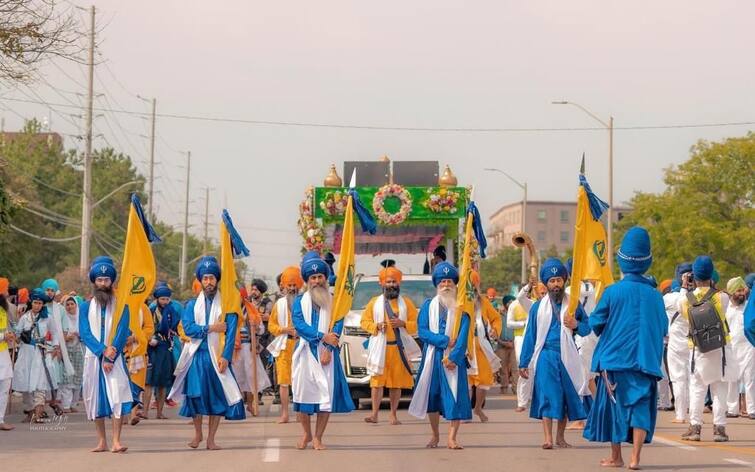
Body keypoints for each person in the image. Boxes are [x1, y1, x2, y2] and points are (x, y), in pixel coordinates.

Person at [583, 226, 668, 470]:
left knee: (614, 410)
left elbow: (595, 324)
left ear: (622, 261)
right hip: (645, 361)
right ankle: (636, 458)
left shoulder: (612, 292)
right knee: (640, 409)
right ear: (647, 262)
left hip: (615, 361)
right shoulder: (655, 296)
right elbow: (663, 328)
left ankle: (617, 457)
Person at [169, 256, 246, 450]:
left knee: (216, 398)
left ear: (217, 280)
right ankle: (198, 435)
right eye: (205, 278)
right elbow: (189, 329)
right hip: (196, 357)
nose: (209, 282)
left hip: (217, 357)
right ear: (200, 281)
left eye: (212, 278)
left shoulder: (227, 304)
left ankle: (211, 439)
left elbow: (230, 332)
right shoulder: (191, 305)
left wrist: (226, 357)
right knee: (195, 397)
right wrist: (211, 327)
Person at [518, 258, 591, 450]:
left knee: (566, 396)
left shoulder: (573, 305)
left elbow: (587, 328)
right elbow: (530, 336)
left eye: (559, 280)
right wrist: (523, 362)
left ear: (564, 281)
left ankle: (560, 437)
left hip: (568, 355)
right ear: (546, 284)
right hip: (545, 356)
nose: (556, 284)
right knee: (548, 395)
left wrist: (576, 325)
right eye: (552, 281)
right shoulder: (537, 307)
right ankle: (548, 438)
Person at [291, 251, 354, 450]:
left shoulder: (335, 300)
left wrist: (327, 347)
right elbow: (299, 324)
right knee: (302, 395)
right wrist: (321, 337)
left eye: (320, 277)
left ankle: (318, 437)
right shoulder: (300, 302)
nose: (317, 281)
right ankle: (306, 434)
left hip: (328, 354)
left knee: (325, 397)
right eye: (313, 278)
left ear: (325, 278)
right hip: (305, 352)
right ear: (307, 281)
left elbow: (337, 324)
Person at [408, 261, 472, 450]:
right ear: (437, 285)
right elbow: (423, 331)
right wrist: (444, 341)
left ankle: (452, 438)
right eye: (442, 282)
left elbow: (463, 336)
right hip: (432, 358)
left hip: (454, 360)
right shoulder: (428, 306)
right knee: (433, 398)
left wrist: (454, 358)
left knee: (454, 398)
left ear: (455, 284)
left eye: (449, 282)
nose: (446, 285)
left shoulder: (462, 309)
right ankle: (435, 435)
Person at [680, 256, 738, 442]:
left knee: (697, 388)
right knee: (719, 388)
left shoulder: (685, 300)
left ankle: (695, 428)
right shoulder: (722, 297)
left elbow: (684, 319)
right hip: (720, 348)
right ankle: (719, 429)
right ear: (711, 274)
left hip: (698, 350)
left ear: (693, 276)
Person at [79, 256, 133, 453]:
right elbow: (85, 332)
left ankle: (116, 441)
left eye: (106, 280)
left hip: (115, 359)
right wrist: (102, 351)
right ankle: (101, 441)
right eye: (99, 280)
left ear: (112, 282)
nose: (103, 283)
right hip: (93, 359)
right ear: (94, 281)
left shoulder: (121, 306)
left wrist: (110, 356)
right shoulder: (85, 306)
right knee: (95, 399)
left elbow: (121, 332)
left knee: (116, 396)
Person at [361, 265, 420, 425]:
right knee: (377, 383)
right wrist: (376, 326)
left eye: (394, 281)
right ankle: (374, 414)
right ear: (382, 283)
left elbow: (418, 324)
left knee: (396, 383)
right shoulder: (374, 303)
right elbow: (364, 321)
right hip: (380, 348)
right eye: (388, 282)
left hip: (398, 349)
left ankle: (393, 415)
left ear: (398, 283)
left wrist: (403, 323)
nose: (391, 284)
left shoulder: (406, 303)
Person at [14, 288, 67, 422]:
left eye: (40, 303)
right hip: (26, 352)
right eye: (35, 302)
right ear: (31, 302)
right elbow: (18, 333)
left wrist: (55, 347)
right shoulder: (25, 317)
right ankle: (30, 411)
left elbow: (55, 333)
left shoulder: (47, 317)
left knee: (40, 383)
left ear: (43, 304)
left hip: (41, 353)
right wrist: (17, 336)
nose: (37, 305)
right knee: (25, 382)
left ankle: (38, 414)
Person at [267, 266, 304, 423]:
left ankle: (300, 414)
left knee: (299, 382)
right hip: (284, 347)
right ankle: (284, 414)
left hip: (301, 346)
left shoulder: (305, 302)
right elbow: (271, 326)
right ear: (284, 286)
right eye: (289, 285)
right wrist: (284, 330)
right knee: (283, 382)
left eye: (295, 285)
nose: (292, 288)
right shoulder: (279, 304)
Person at [467, 270, 502, 423]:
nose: (472, 290)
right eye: (468, 287)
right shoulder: (457, 302)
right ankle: (464, 411)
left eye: (473, 287)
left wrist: (495, 330)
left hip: (481, 346)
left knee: (484, 379)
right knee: (466, 380)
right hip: (464, 346)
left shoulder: (483, 302)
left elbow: (496, 318)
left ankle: (478, 408)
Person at [144, 282, 181, 420]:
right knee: (148, 382)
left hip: (166, 348)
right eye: (162, 299)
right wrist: (149, 338)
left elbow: (177, 328)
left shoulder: (172, 312)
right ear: (157, 299)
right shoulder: (150, 311)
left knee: (163, 382)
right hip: (152, 349)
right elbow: (146, 327)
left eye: (167, 299)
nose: (165, 302)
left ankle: (160, 413)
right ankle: (145, 412)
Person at [234, 287, 272, 414]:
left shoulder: (252, 310)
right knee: (237, 377)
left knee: (251, 377)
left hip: (249, 348)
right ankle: (237, 407)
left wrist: (255, 327)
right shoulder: (229, 310)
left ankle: (251, 405)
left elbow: (261, 329)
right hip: (235, 349)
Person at [666, 262, 693, 423]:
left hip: (675, 344)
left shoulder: (668, 298)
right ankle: (693, 415)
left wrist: (684, 287)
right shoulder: (697, 296)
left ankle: (681, 415)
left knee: (678, 379)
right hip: (693, 341)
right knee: (693, 378)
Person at [725, 277, 754, 419]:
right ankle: (732, 409)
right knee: (732, 379)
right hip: (731, 348)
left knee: (750, 378)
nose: (741, 293)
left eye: (743, 290)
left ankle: (752, 410)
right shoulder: (725, 307)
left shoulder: (749, 306)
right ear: (730, 292)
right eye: (738, 290)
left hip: (748, 347)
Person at [59, 294, 85, 413]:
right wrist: (65, 337)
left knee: (78, 378)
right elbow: (59, 334)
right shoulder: (63, 319)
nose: (70, 307)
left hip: (80, 352)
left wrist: (81, 336)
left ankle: (73, 404)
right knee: (67, 377)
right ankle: (65, 405)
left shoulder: (82, 319)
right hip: (67, 351)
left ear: (76, 305)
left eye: (72, 304)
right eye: (67, 305)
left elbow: (87, 334)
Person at [0, 277, 16, 431]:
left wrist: (8, 335)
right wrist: (4, 336)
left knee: (5, 384)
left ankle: (0, 419)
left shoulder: (3, 309)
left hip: (3, 351)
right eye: (5, 288)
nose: (7, 290)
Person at [495, 294, 517, 395]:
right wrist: (502, 342)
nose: (511, 304)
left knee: (515, 368)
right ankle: (504, 388)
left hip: (514, 345)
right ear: (505, 304)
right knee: (502, 368)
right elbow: (494, 331)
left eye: (512, 301)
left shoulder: (516, 314)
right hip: (501, 345)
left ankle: (516, 389)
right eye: (509, 302)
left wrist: (513, 343)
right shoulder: (498, 316)